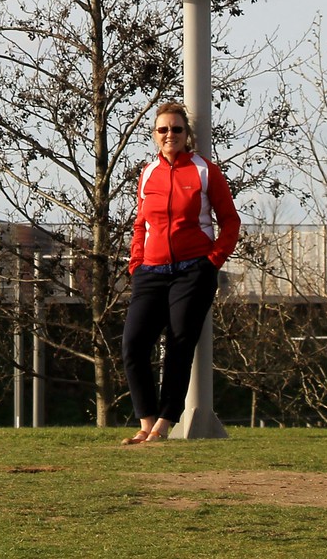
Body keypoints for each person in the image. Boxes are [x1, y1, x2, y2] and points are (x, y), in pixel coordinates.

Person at [120, 99, 239, 444]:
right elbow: (141, 222)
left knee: (178, 345)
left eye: (176, 129)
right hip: (151, 272)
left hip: (193, 272)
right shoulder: (147, 173)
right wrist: (136, 263)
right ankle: (145, 422)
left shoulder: (205, 171)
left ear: (187, 134)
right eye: (163, 130)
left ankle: (164, 425)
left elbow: (229, 221)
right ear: (155, 135)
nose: (169, 134)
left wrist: (212, 260)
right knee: (133, 344)